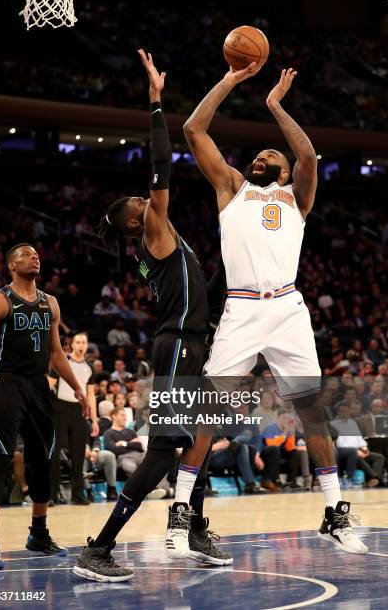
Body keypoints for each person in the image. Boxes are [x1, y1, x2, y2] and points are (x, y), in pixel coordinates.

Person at [184, 64, 367, 553]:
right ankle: (181, 516)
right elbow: (193, 130)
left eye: (269, 154)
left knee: (312, 412)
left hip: (287, 307)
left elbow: (307, 153)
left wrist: (274, 105)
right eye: (259, 153)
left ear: (282, 171)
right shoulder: (232, 189)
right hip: (242, 308)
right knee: (210, 409)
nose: (260, 156)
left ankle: (335, 513)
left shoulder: (296, 197)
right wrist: (229, 80)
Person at [73, 50, 231, 584]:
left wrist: (238, 256)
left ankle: (193, 525)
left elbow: (206, 294)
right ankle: (101, 546)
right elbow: (163, 165)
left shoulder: (162, 240)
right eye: (140, 201)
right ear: (136, 220)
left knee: (201, 434)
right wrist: (157, 104)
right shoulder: (154, 230)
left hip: (189, 339)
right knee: (166, 449)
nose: (148, 196)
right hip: (178, 343)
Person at [0, 243, 89, 569]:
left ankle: (38, 533)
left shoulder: (49, 303)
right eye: (26, 255)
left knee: (43, 459)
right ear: (11, 265)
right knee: (0, 458)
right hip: (6, 383)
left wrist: (76, 387)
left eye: (36, 254)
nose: (35, 257)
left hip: (40, 385)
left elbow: (56, 353)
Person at [49, 332, 99, 506]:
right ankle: (52, 495)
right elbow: (49, 385)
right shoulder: (63, 362)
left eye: (84, 342)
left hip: (79, 412)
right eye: (77, 342)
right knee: (54, 453)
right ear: (72, 345)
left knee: (78, 455)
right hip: (60, 409)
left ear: (87, 345)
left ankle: (78, 494)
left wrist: (94, 420)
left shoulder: (89, 367)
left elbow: (90, 394)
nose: (80, 345)